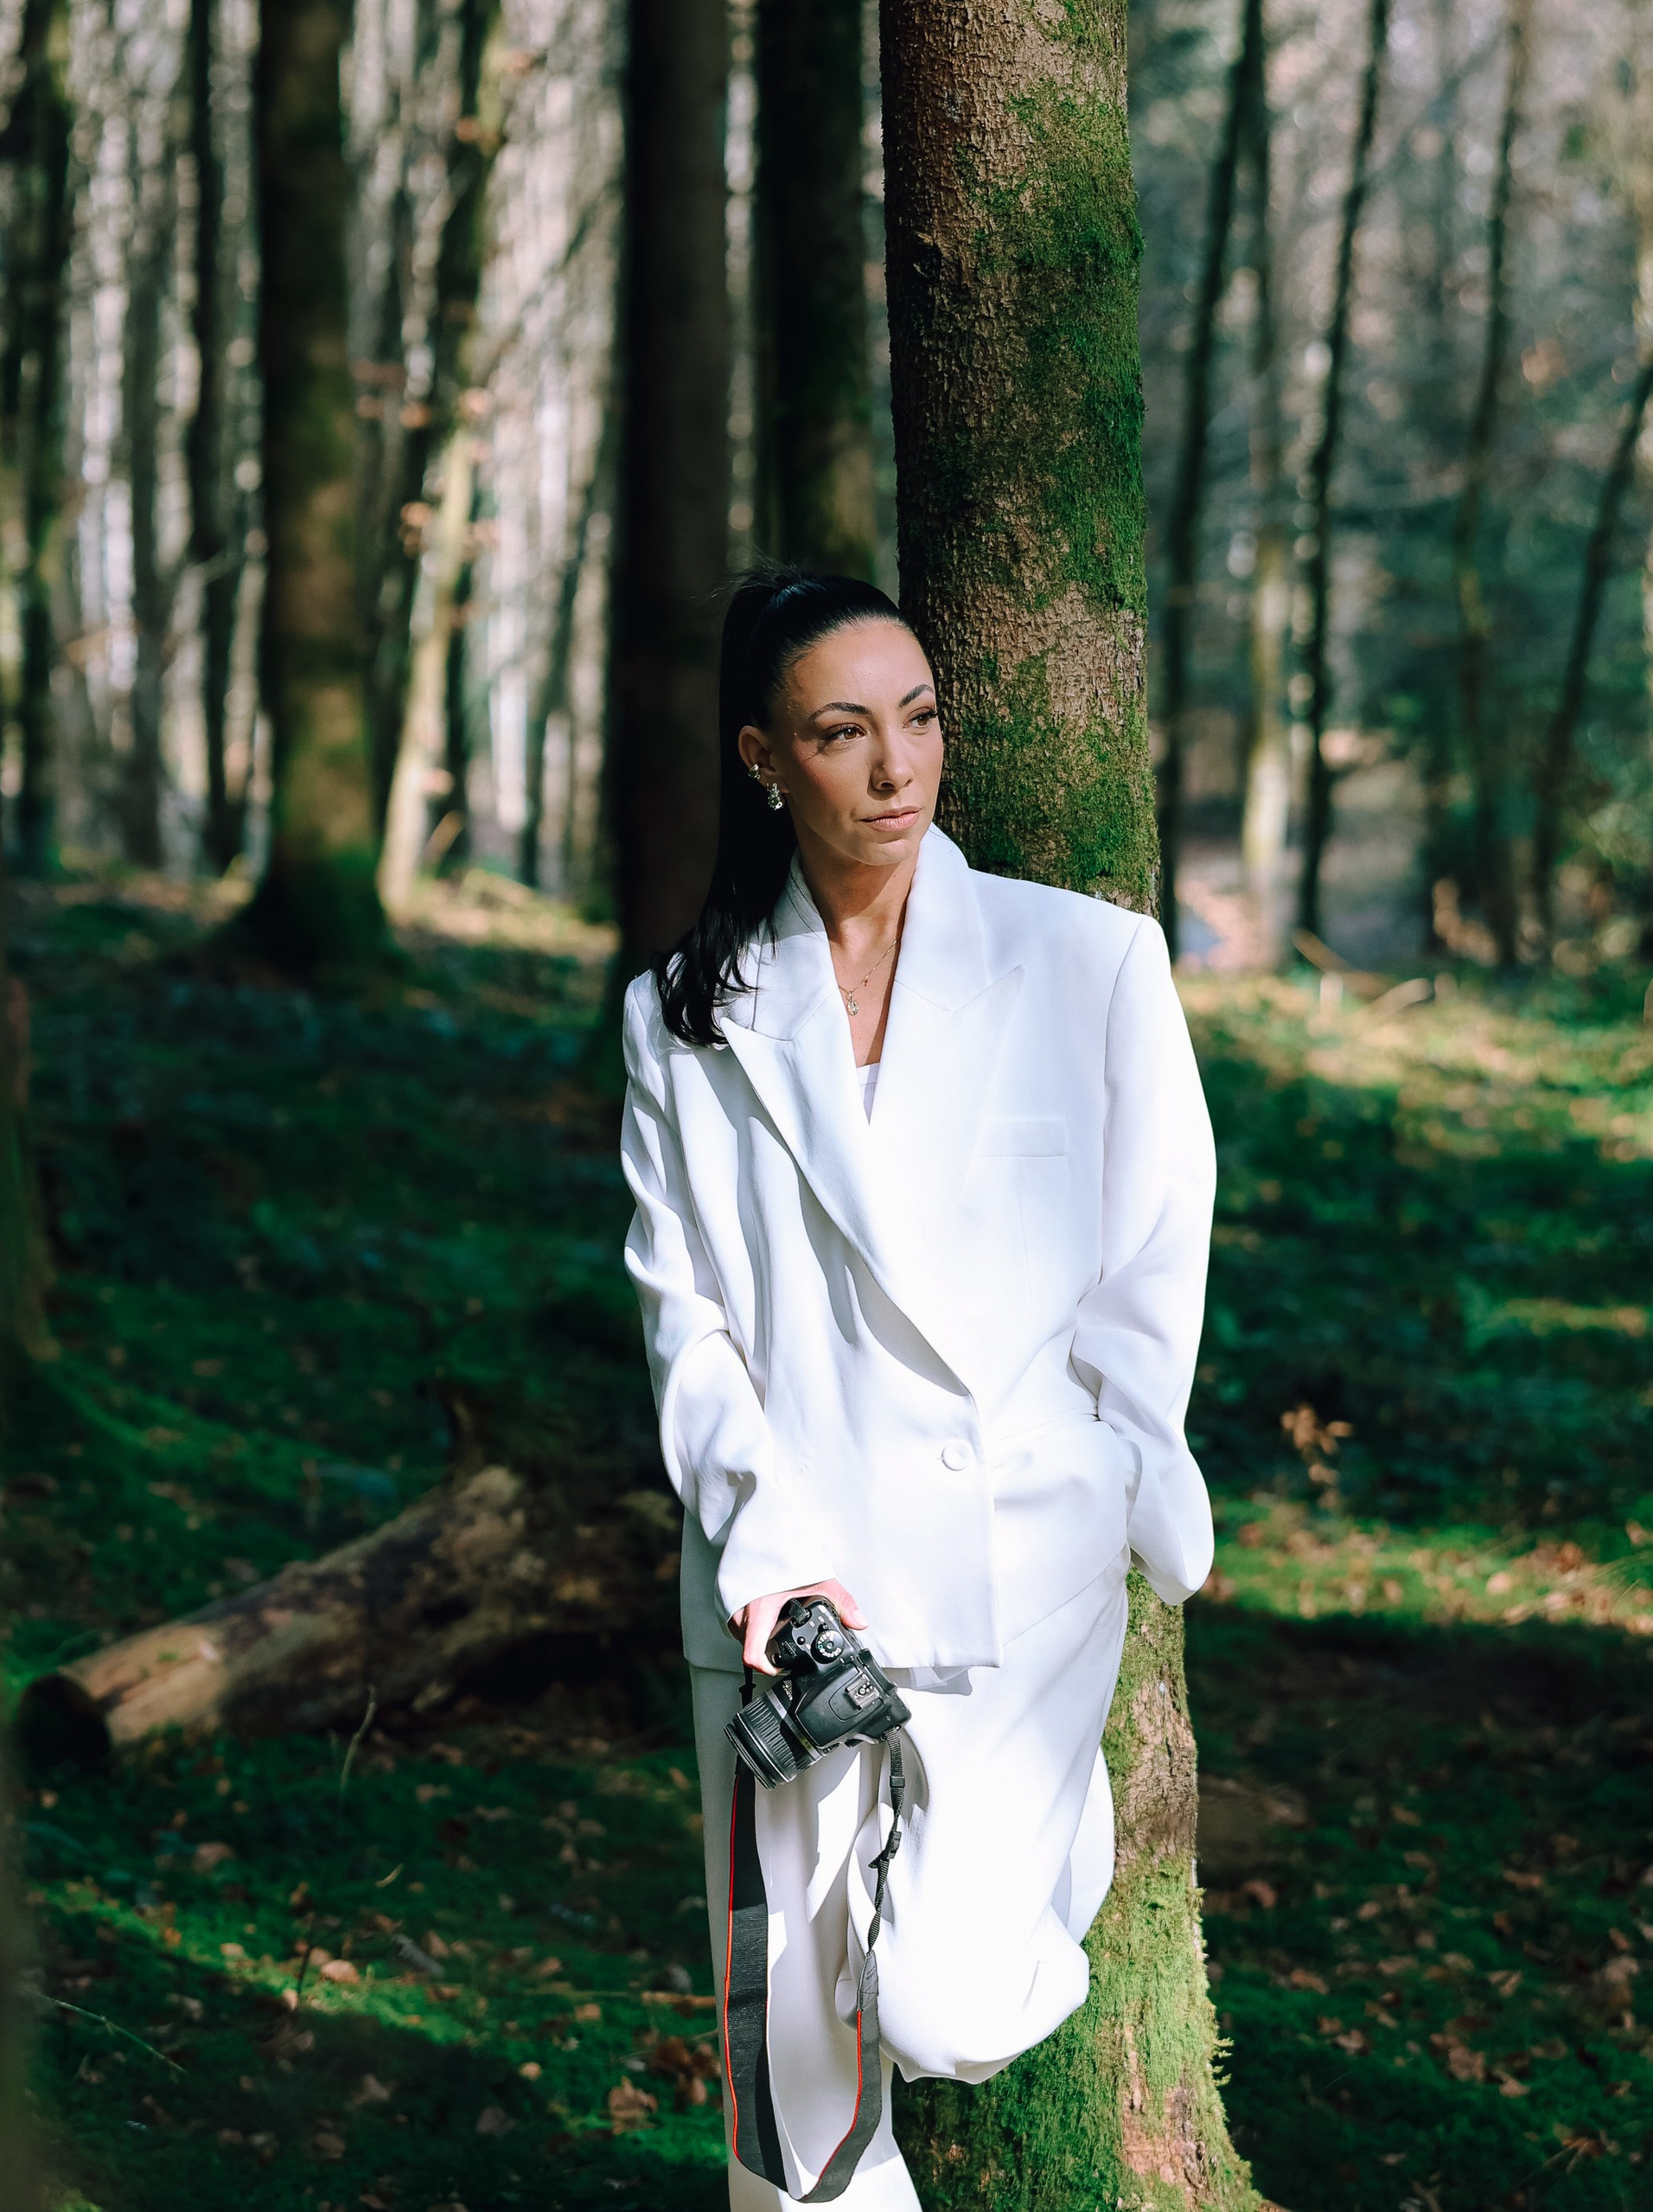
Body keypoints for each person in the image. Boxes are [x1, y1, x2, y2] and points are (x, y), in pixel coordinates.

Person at [619, 571, 1216, 2208]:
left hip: (1014, 1555)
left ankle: (1013, 1838)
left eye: (919, 717)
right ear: (762, 757)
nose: (896, 767)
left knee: (947, 2005)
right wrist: (765, 1553)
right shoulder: (688, 1017)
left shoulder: (1084, 959)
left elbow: (1154, 1254)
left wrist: (1104, 1469)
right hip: (785, 1589)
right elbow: (688, 1315)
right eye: (840, 731)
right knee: (793, 2099)